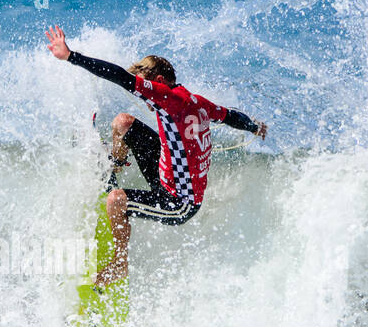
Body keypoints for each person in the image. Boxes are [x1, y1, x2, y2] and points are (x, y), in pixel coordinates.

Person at [45, 25, 266, 286]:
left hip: (179, 201)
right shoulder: (199, 102)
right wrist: (254, 126)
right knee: (123, 122)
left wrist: (71, 56)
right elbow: (230, 116)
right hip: (165, 169)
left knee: (116, 200)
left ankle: (120, 264)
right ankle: (115, 163)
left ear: (159, 82)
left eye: (147, 86)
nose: (146, 97)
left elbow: (117, 76)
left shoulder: (165, 96)